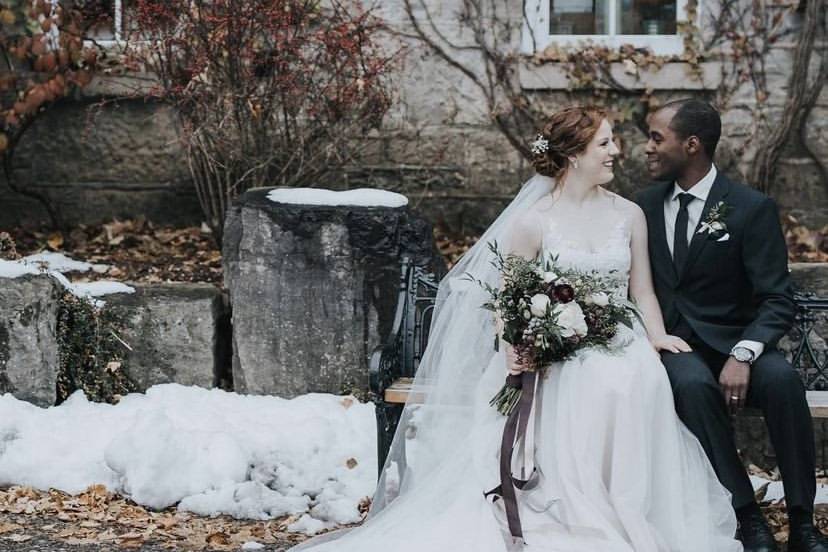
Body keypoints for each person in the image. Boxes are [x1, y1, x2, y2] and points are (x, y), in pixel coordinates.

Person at [291, 107, 742, 551]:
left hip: (620, 340)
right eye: (604, 143)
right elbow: (506, 301)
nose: (616, 152)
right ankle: (569, 506)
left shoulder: (629, 215)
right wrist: (514, 346)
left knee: (634, 378)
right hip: (554, 350)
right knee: (594, 381)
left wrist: (656, 336)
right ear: (573, 156)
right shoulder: (533, 222)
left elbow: (642, 291)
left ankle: (623, 503)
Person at [637, 98, 828, 552]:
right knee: (693, 387)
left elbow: (777, 299)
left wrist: (745, 352)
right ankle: (746, 515)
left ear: (692, 144)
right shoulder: (640, 208)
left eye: (656, 138)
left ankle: (803, 520)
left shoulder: (749, 207)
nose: (646, 149)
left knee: (783, 381)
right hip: (677, 346)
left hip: (738, 343)